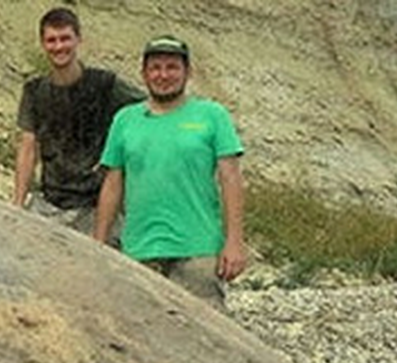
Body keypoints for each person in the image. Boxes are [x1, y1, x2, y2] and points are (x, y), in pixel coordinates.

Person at [93, 35, 246, 308]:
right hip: (139, 251)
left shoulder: (212, 115)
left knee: (203, 341)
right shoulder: (125, 119)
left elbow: (231, 178)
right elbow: (113, 184)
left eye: (172, 67)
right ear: (144, 73)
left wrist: (234, 241)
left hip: (198, 252)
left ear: (188, 72)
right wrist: (99, 245)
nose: (163, 75)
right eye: (156, 68)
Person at [12, 7, 144, 237]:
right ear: (42, 44)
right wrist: (18, 204)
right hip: (50, 203)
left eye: (65, 38)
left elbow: (150, 109)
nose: (59, 46)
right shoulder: (34, 91)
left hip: (96, 207)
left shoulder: (106, 85)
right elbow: (28, 147)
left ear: (79, 39)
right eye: (51, 40)